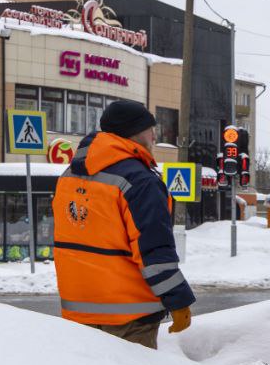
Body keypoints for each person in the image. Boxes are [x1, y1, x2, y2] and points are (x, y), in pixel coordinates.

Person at [52, 100, 193, 348]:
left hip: (77, 313)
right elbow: (154, 251)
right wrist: (178, 300)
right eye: (152, 129)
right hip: (129, 319)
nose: (154, 136)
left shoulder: (68, 177)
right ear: (136, 132)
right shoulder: (140, 181)